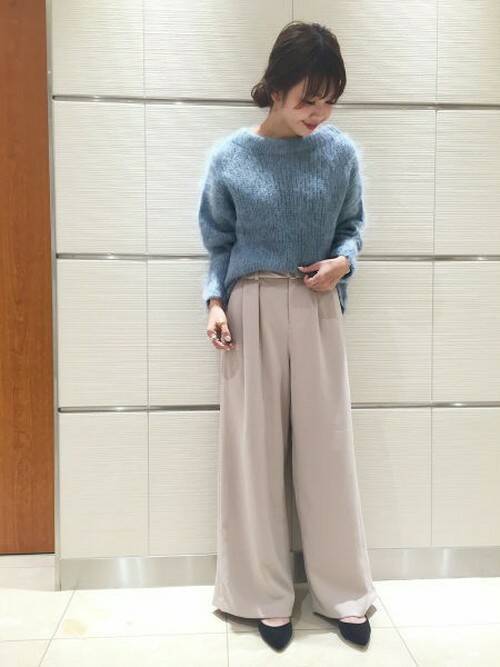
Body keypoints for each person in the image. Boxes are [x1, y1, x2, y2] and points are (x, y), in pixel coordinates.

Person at [197, 20, 377, 652]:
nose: (318, 113)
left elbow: (353, 226)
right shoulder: (229, 157)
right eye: (308, 99)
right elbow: (218, 244)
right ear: (275, 88)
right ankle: (262, 595)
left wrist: (344, 262)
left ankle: (343, 592)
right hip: (249, 311)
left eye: (329, 100)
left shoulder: (340, 154)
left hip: (317, 304)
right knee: (254, 458)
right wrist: (214, 303)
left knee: (328, 454)